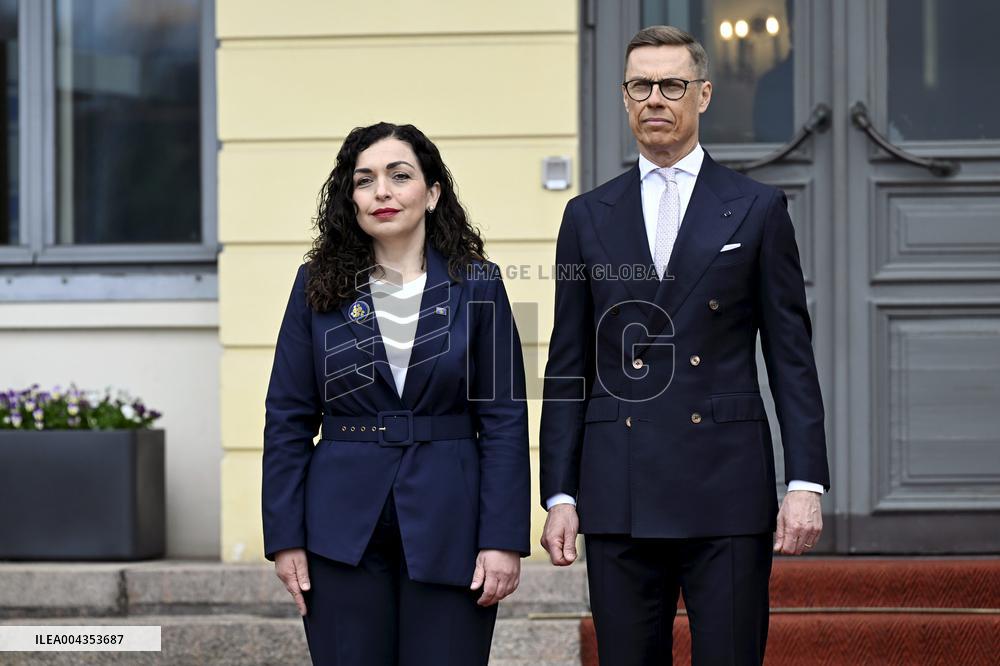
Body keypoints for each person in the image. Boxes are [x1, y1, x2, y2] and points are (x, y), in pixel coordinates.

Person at [539, 26, 830, 665]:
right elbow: (568, 366)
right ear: (624, 98)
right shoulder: (587, 216)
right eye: (640, 85)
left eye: (672, 85)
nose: (655, 99)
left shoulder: (756, 208)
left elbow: (790, 356)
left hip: (725, 483)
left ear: (703, 95)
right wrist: (559, 494)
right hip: (619, 487)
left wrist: (805, 479)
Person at [262, 122, 531, 665]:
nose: (381, 191)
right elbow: (288, 417)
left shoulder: (477, 283)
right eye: (365, 181)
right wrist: (285, 536)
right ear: (351, 199)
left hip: (451, 520)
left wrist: (503, 537)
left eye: (399, 175)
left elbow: (504, 418)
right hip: (339, 528)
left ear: (432, 193)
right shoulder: (316, 286)